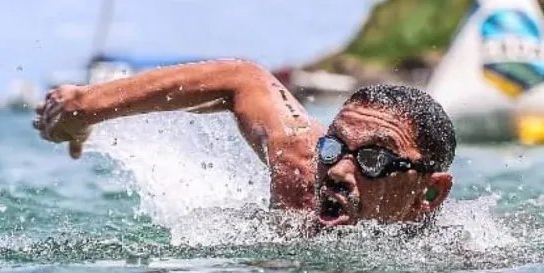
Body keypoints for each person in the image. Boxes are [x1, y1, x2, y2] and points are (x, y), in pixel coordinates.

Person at [32, 59, 456, 230]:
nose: (339, 171)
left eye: (374, 160)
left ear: (431, 193)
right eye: (334, 147)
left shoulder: (456, 261)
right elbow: (244, 78)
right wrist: (86, 107)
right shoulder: (302, 169)